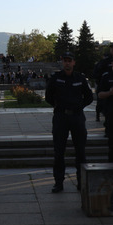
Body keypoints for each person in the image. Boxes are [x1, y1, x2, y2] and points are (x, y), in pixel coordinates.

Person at [45, 52, 94, 193]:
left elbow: (89, 97)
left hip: (77, 117)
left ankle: (81, 181)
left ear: (74, 63)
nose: (67, 63)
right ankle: (58, 182)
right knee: (59, 151)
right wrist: (58, 106)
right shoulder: (56, 78)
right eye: (65, 61)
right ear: (62, 62)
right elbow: (48, 96)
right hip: (61, 117)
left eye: (69, 61)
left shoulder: (80, 78)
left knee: (81, 151)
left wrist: (79, 106)